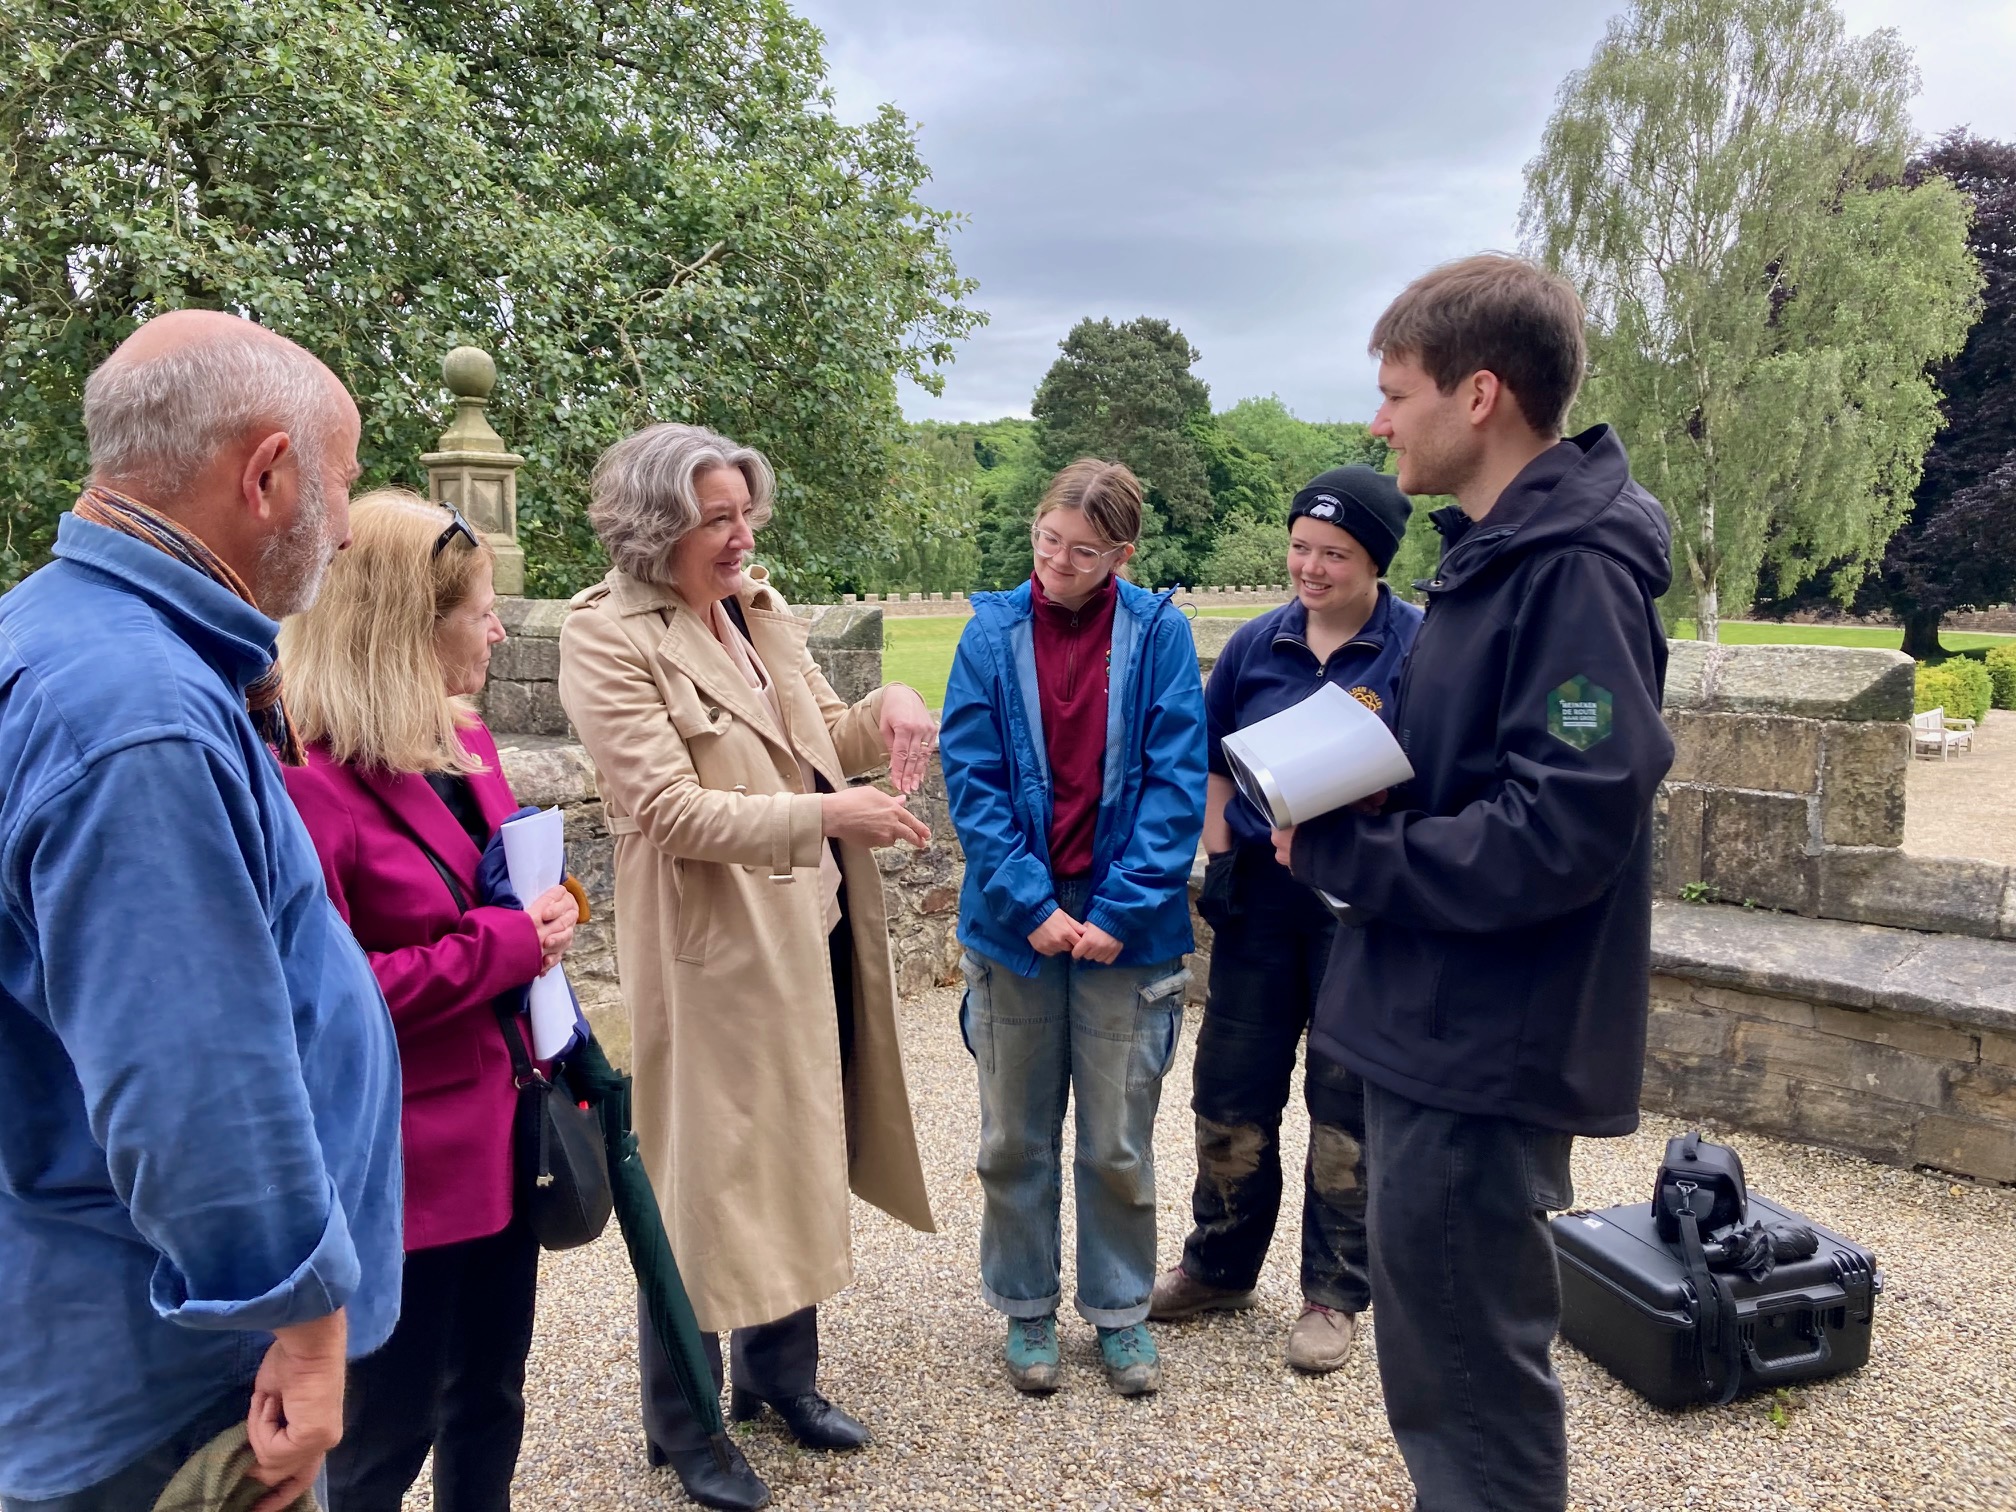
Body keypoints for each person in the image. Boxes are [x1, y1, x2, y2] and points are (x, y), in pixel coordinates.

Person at [1279, 254, 1674, 1512]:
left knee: (1467, 1376)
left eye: (1397, 393)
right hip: (1429, 1019)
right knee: (1438, 1365)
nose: (1378, 421)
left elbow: (1561, 828)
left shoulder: (1574, 567)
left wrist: (1348, 850)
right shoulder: (1499, 554)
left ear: (1482, 395)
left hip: (1483, 1039)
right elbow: (1484, 773)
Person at [0, 311, 402, 1512]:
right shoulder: (139, 713)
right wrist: (302, 1325)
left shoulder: (61, 633)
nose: (343, 521)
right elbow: (194, 1088)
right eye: (337, 482)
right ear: (268, 475)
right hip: (168, 1382)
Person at [556, 423, 938, 1512]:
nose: (741, 537)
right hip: (711, 949)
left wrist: (889, 711)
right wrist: (827, 812)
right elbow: (665, 809)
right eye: (716, 518)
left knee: (795, 1147)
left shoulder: (754, 610)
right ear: (654, 526)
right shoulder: (606, 637)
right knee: (699, 1180)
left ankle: (783, 1381)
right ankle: (684, 1425)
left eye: (743, 514)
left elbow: (827, 732)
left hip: (804, 926)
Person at [278, 491, 584, 1511]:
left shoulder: (469, 746)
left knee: (493, 1397)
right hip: (399, 1168)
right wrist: (506, 944)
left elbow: (507, 892)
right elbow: (322, 998)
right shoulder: (308, 785)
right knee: (385, 1431)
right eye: (479, 611)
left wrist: (552, 915)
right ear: (408, 628)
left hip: (505, 1134)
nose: (498, 629)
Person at [939, 459, 1207, 1399]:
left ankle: (1123, 1312)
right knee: (1013, 1136)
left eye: (1082, 551)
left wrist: (1115, 912)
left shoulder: (1161, 636)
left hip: (1125, 934)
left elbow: (1178, 786)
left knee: (1118, 1140)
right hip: (1016, 932)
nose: (1057, 561)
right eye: (1048, 540)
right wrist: (1034, 905)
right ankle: (1025, 1308)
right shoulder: (989, 632)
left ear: (1121, 556)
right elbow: (970, 783)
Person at [1150, 465, 1421, 1374]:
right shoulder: (1257, 643)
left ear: (1375, 560)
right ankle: (1218, 1266)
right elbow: (1217, 754)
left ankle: (1335, 1294)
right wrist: (1221, 851)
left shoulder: (1417, 646)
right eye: (1300, 546)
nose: (1310, 566)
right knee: (1229, 1092)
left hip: (1360, 906)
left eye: (1334, 554)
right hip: (1262, 898)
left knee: (1347, 1105)